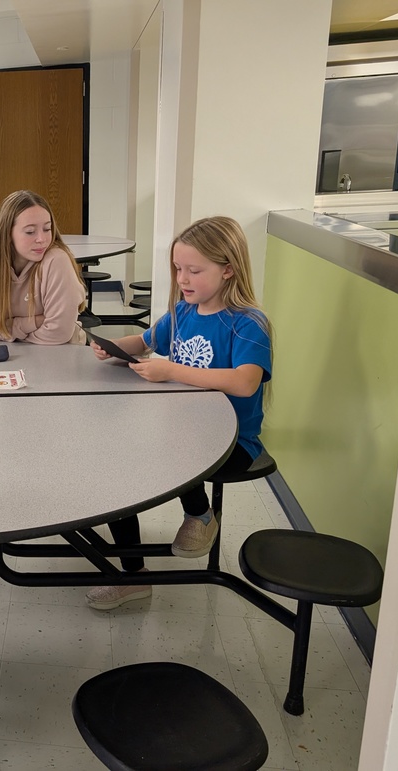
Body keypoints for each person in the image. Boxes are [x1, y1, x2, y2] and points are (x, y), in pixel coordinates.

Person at [85, 215, 273, 610]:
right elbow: (146, 340)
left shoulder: (248, 323)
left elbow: (245, 382)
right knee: (117, 458)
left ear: (228, 269)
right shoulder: (185, 312)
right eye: (177, 269)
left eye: (194, 270)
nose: (182, 279)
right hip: (181, 427)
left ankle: (199, 515)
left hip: (232, 442)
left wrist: (170, 369)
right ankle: (132, 575)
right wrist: (116, 346)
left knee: (146, 455)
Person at [0, 189, 87, 345]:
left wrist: (8, 330)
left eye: (47, 229)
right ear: (8, 233)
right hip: (9, 355)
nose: (42, 239)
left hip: (59, 353)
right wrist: (36, 322)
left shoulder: (57, 260)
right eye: (30, 231)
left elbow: (59, 334)